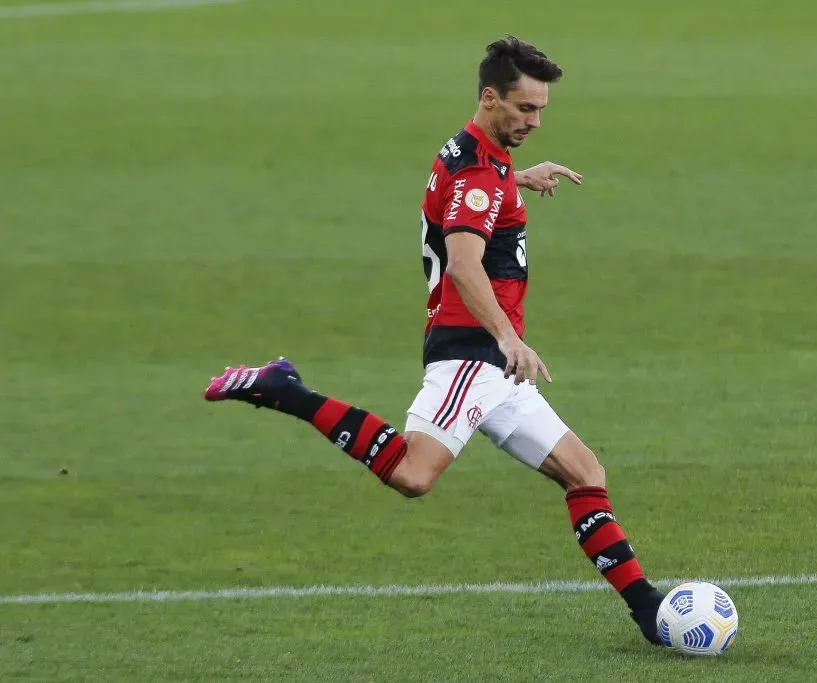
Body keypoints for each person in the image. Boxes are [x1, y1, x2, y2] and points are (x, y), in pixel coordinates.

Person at [204, 35, 666, 646]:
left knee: (584, 474)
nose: (535, 120)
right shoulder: (480, 172)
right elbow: (463, 262)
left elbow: (466, 195)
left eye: (542, 110)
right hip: (474, 354)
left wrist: (515, 180)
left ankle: (651, 616)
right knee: (414, 475)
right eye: (525, 109)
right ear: (490, 97)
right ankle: (284, 390)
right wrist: (507, 336)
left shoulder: (473, 152)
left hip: (494, 361)